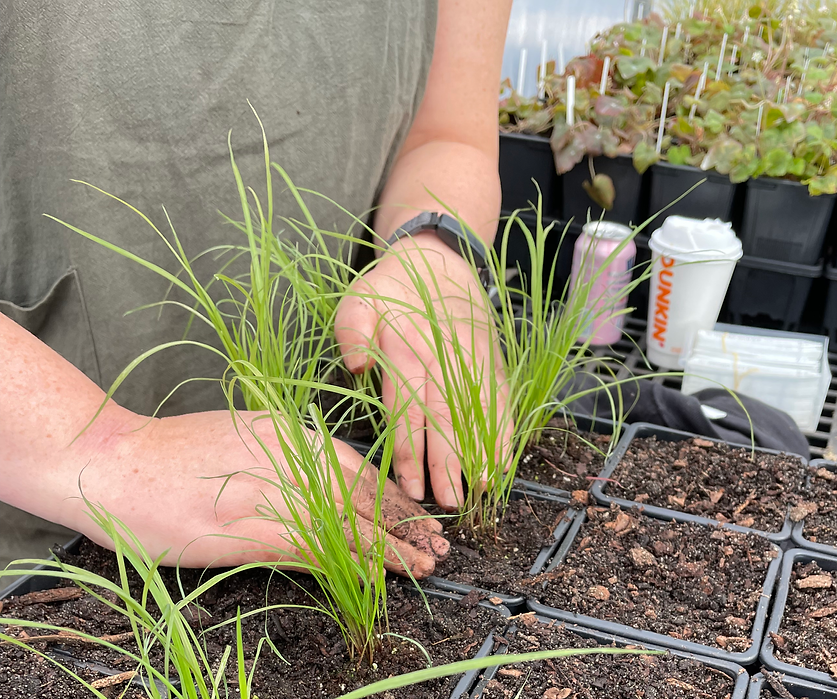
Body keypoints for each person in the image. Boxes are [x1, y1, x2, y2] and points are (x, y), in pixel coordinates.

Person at [0, 0, 511, 573]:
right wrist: (107, 451)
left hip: (341, 454)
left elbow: (448, 132)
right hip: (36, 536)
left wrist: (431, 248)